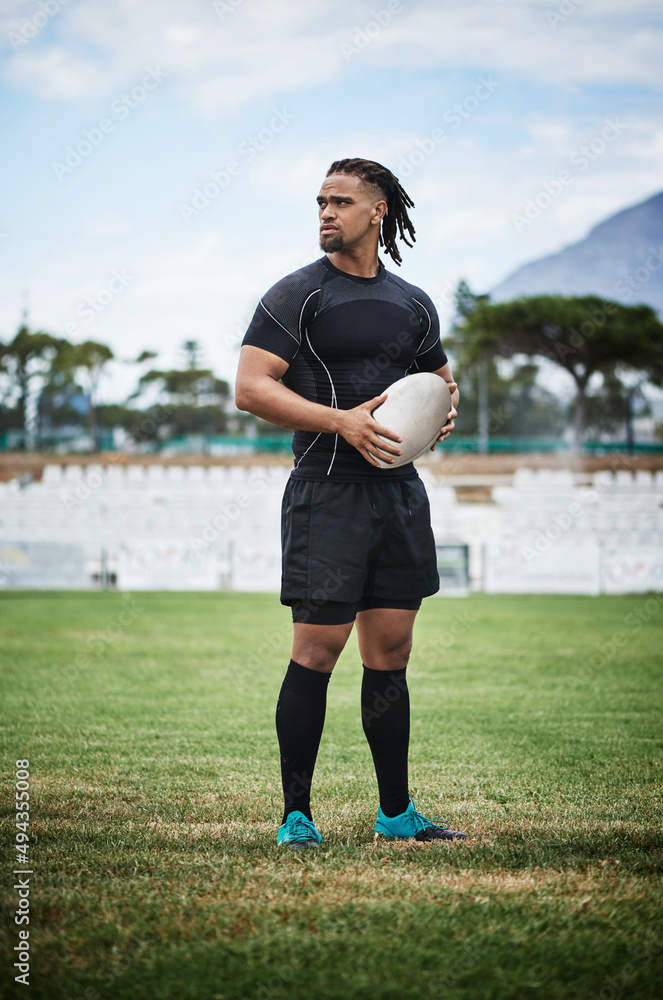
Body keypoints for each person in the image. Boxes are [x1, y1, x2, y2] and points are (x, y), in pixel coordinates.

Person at [235, 157, 466, 849]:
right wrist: (340, 420)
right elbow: (250, 387)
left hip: (396, 494)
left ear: (378, 212)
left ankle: (395, 814)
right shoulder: (296, 295)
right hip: (326, 492)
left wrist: (441, 414)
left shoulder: (413, 302)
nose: (325, 214)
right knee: (316, 650)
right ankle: (296, 817)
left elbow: (439, 382)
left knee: (390, 651)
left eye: (339, 203)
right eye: (319, 203)